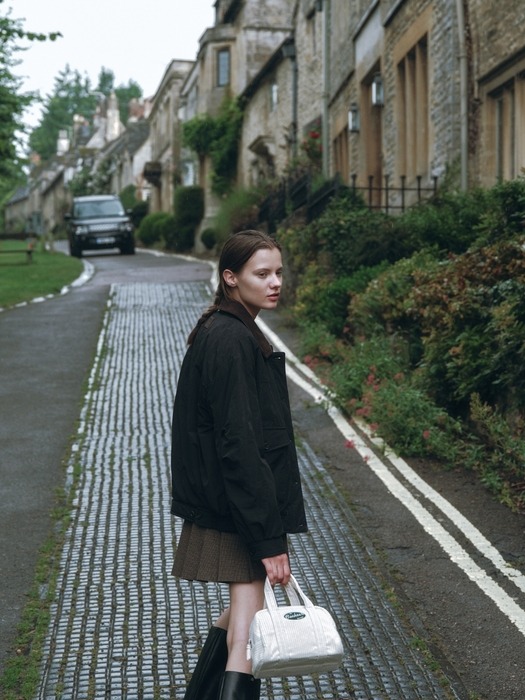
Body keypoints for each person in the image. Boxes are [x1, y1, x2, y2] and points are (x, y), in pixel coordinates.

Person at [171, 230, 308, 700]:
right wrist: (269, 541)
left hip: (229, 504)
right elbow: (241, 447)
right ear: (231, 278)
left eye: (278, 272)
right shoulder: (232, 340)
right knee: (245, 638)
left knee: (238, 618)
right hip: (238, 509)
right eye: (262, 274)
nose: (275, 283)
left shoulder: (224, 328)